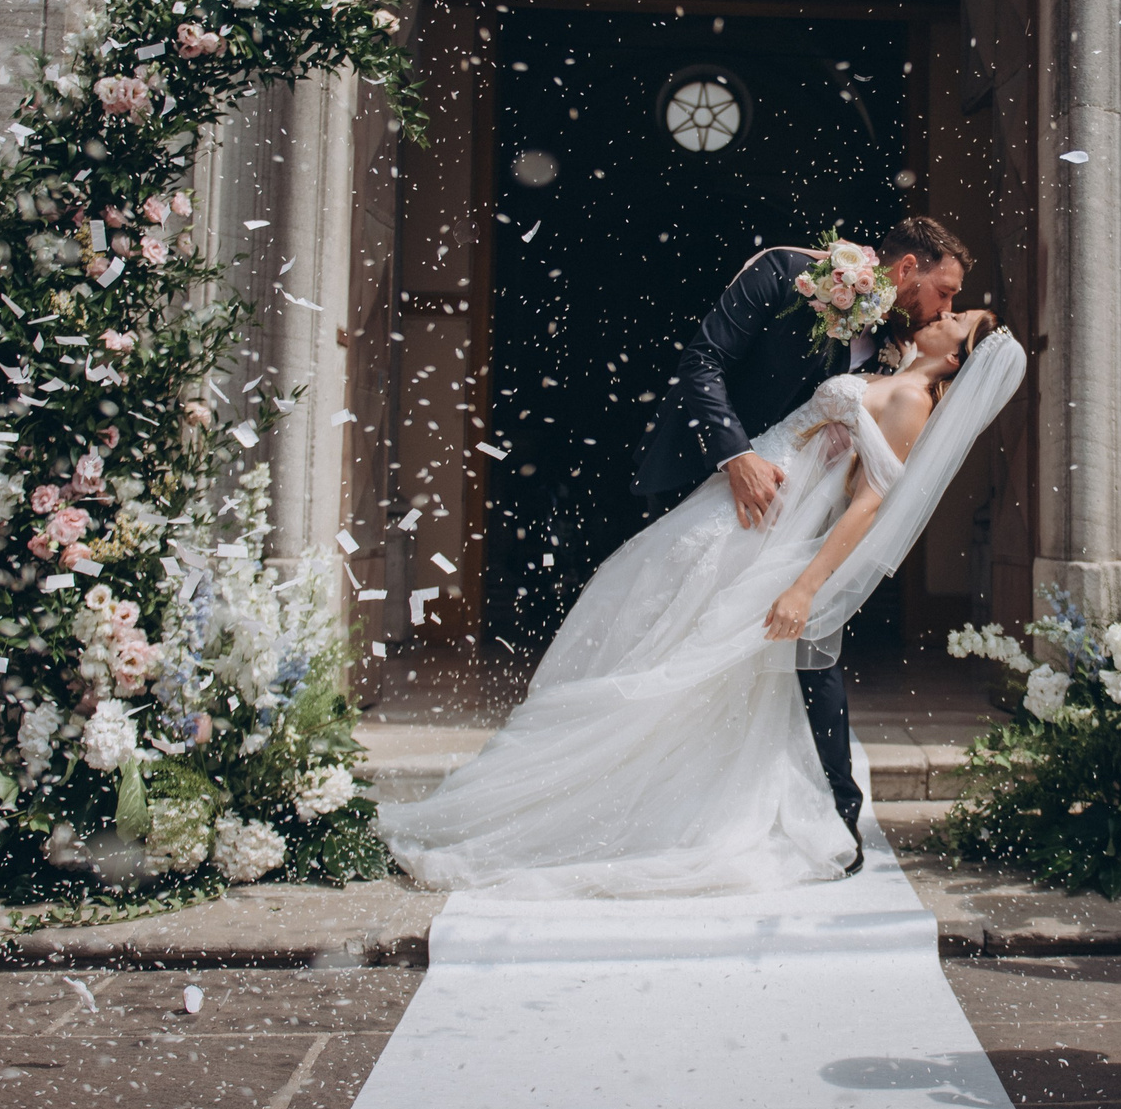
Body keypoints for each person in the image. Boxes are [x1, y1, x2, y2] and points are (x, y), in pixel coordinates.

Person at [384, 312, 1024, 897]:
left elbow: (867, 503)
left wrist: (804, 587)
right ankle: (601, 786)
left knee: (678, 644)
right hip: (746, 494)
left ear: (957, 358)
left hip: (767, 526)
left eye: (956, 319)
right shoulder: (892, 370)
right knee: (650, 610)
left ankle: (627, 797)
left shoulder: (911, 398)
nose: (943, 314)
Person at [633, 216, 969, 872]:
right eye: (946, 291)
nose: (947, 307)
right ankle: (660, 796)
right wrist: (737, 457)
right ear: (906, 271)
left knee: (803, 658)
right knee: (681, 640)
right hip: (714, 485)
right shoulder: (787, 273)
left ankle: (833, 816)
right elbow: (703, 360)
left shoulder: (903, 348)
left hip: (799, 517)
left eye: (955, 305)